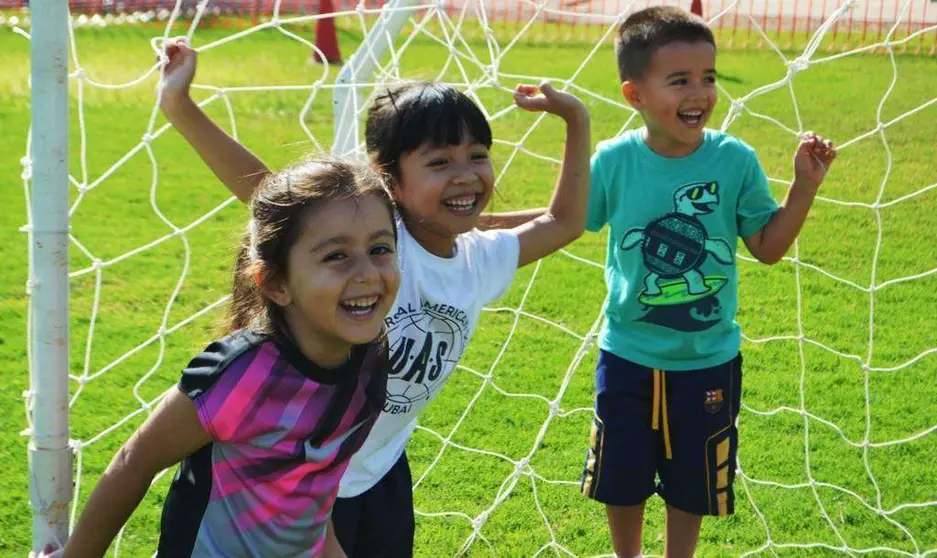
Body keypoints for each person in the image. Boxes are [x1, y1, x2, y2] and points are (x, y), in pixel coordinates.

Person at [158, 37, 591, 556]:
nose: (466, 174)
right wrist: (179, 107)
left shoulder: (480, 259)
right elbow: (267, 191)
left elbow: (565, 221)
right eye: (439, 162)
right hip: (287, 470)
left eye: (477, 156)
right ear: (388, 178)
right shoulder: (381, 247)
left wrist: (575, 119)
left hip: (376, 470)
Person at [579, 6, 837, 557]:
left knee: (691, 480)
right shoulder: (614, 161)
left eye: (708, 77)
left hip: (707, 359)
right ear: (635, 95)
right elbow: (561, 220)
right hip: (626, 354)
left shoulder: (734, 161)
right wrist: (472, 226)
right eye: (679, 81)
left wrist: (804, 188)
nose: (699, 93)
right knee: (621, 476)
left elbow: (767, 248)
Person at [56, 159, 400, 557]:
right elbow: (135, 462)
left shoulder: (371, 359)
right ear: (275, 283)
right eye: (336, 256)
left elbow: (314, 487)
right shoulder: (240, 373)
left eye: (380, 249)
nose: (368, 273)